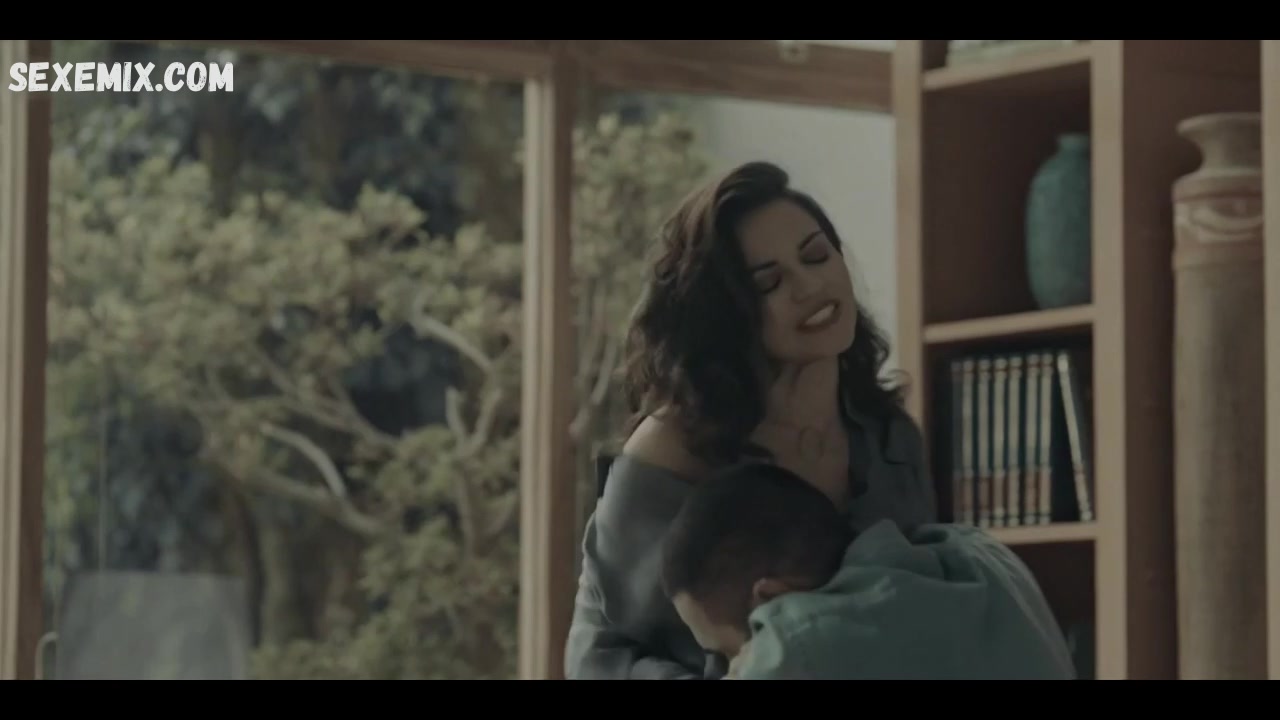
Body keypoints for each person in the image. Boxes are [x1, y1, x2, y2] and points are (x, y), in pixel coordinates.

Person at [563, 161, 937, 680]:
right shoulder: (669, 451)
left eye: (816, 255)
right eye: (769, 282)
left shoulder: (888, 436)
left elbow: (933, 607)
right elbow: (598, 660)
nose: (809, 286)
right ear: (727, 313)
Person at [660, 462, 1077, 680]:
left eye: (729, 652)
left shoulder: (797, 649)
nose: (730, 667)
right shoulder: (982, 555)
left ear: (771, 600)